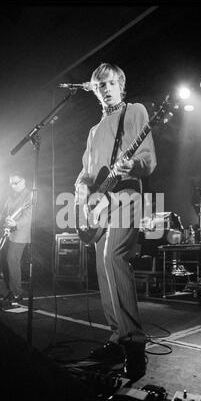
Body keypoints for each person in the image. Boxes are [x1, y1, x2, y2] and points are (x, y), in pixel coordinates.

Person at [75, 63, 157, 381]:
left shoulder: (135, 111)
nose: (105, 88)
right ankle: (116, 339)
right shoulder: (94, 131)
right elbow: (86, 173)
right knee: (102, 269)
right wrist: (83, 192)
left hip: (126, 199)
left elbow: (148, 159)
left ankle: (134, 345)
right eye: (99, 85)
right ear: (94, 91)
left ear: (121, 84)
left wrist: (131, 164)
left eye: (110, 83)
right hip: (100, 206)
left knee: (112, 257)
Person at [0, 172, 32, 307]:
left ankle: (17, 293)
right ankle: (11, 291)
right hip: (7, 233)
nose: (13, 185)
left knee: (12, 260)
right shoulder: (11, 196)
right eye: (11, 183)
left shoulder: (30, 195)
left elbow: (29, 216)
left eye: (15, 182)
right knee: (6, 262)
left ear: (23, 181)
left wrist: (17, 224)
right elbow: (4, 212)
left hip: (20, 234)